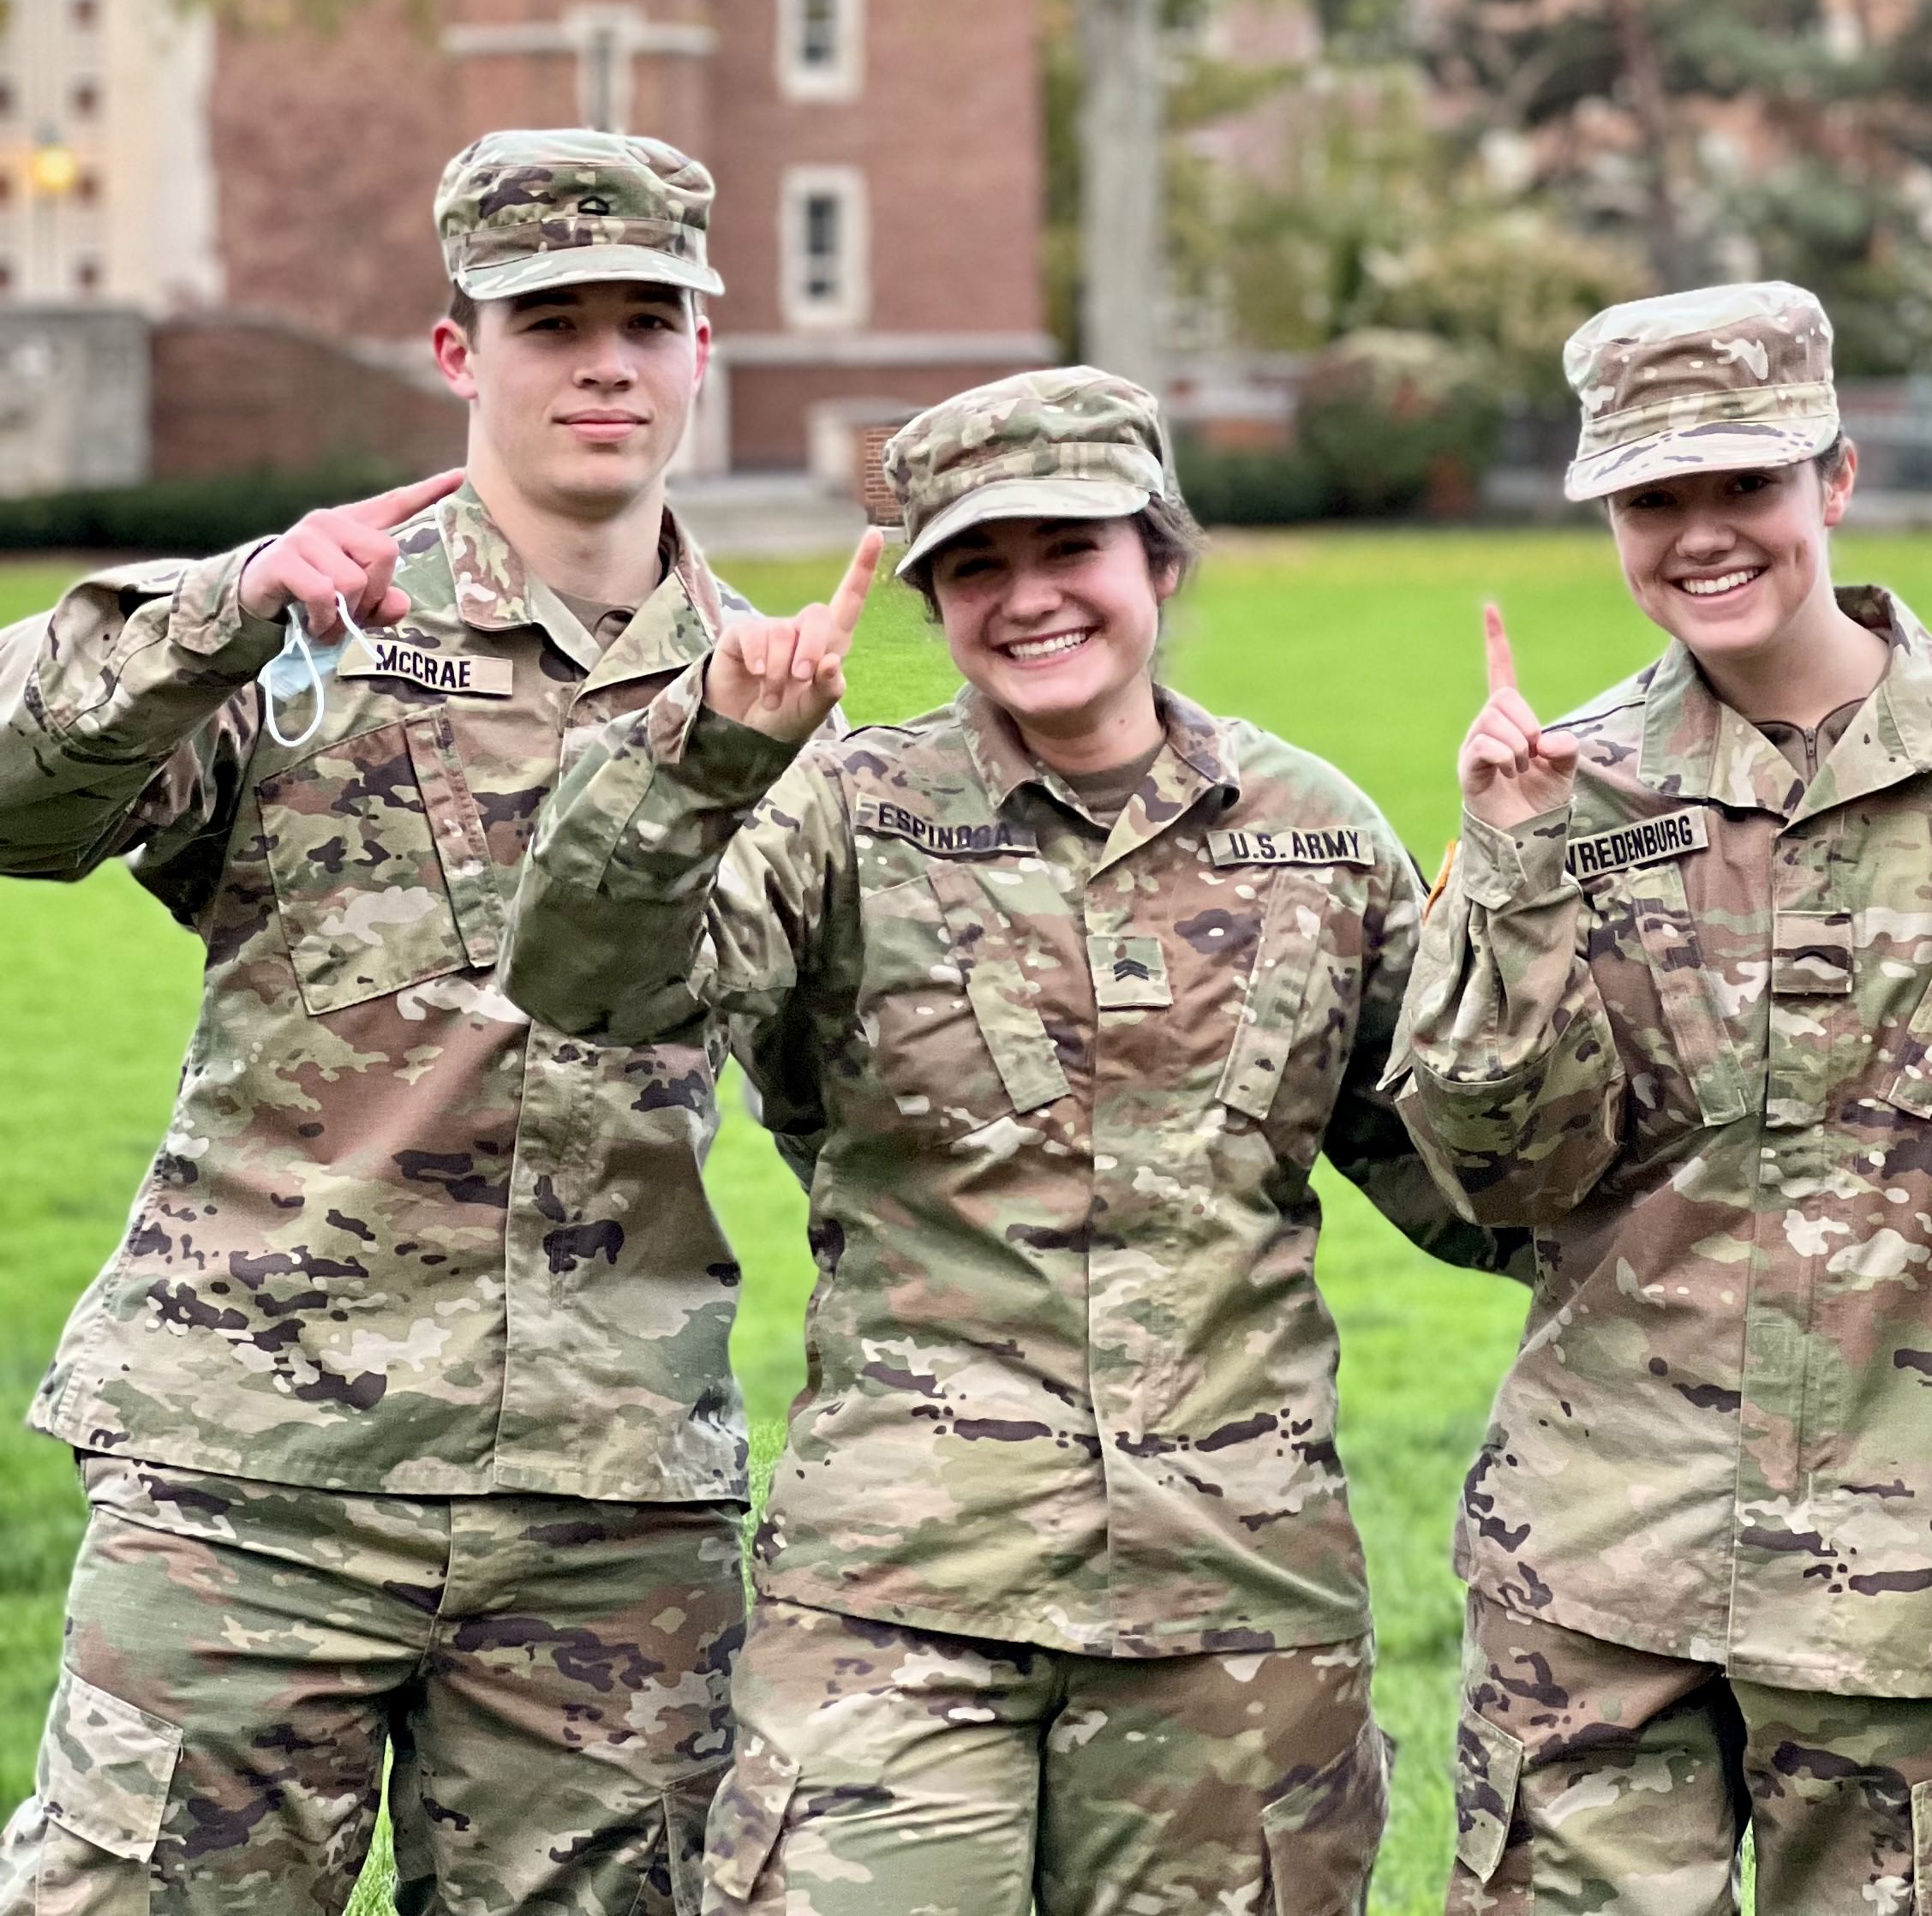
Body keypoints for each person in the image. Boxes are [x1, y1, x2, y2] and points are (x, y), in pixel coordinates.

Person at [500, 362, 1503, 1916]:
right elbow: (595, 990)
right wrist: (705, 761)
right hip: (903, 1601)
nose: (1028, 598)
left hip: (1233, 1612)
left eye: (1070, 550)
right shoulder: (841, 813)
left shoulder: (1315, 832)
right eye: (975, 565)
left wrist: (1538, 941)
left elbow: (1462, 1190)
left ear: (1158, 560)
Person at [0, 129, 753, 1916]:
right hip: (259, 1476)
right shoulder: (307, 626)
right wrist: (223, 608)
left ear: (700, 353)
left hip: (608, 1510)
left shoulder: (763, 699)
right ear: (455, 353)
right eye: (548, 319)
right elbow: (17, 806)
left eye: (647, 319)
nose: (603, 363)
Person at [1397, 280, 1932, 1916]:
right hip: (1604, 1561)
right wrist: (1511, 868)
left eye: (1743, 487)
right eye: (1652, 500)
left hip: (1929, 1569)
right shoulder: (1566, 784)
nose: (1701, 536)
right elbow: (1485, 1174)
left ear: (1833, 482)